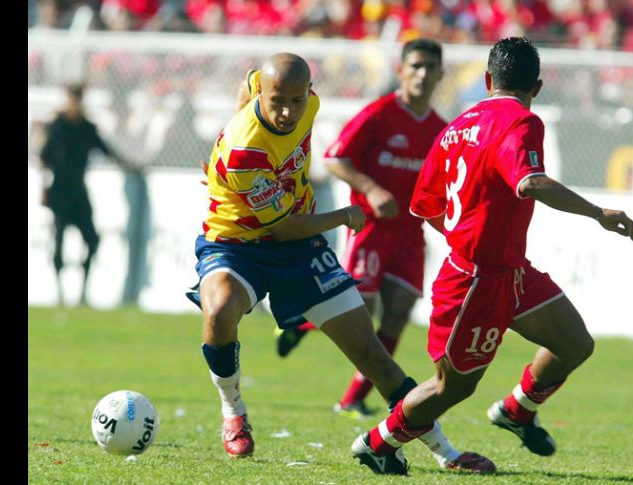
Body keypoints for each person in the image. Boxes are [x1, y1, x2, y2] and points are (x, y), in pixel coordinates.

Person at [185, 53, 494, 474]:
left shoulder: (305, 102)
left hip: (299, 249)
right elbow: (283, 227)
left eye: (296, 100)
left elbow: (248, 81)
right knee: (220, 309)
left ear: (308, 92)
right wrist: (346, 216)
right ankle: (233, 411)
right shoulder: (245, 150)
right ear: (265, 94)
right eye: (278, 101)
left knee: (373, 355)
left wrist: (219, 142)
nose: (288, 111)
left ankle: (446, 453)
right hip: (238, 241)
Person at [351, 37, 633, 474]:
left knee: (574, 343)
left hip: (509, 271)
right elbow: (530, 182)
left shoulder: (454, 126)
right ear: (536, 87)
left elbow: (425, 207)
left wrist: (467, 233)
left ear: (488, 80)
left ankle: (517, 409)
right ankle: (376, 442)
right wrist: (598, 212)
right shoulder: (522, 121)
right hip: (476, 281)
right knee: (452, 388)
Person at [274, 39, 448, 420]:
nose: (421, 74)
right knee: (360, 311)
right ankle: (303, 325)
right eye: (415, 66)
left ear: (440, 74)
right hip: (371, 229)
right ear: (401, 70)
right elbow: (336, 158)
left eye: (429, 67)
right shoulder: (379, 114)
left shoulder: (440, 128)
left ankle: (353, 396)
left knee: (399, 312)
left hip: (409, 234)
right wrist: (370, 188)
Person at [39, 83, 134, 306]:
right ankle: (59, 292)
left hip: (79, 190)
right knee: (59, 238)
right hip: (59, 190)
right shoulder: (57, 127)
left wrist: (130, 165)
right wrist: (43, 189)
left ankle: (82, 292)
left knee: (92, 239)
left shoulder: (87, 128)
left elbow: (106, 150)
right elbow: (44, 158)